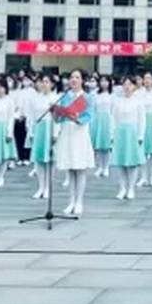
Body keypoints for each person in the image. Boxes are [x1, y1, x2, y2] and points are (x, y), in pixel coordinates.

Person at [52, 71, 95, 216]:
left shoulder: (87, 97)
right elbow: (59, 119)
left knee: (80, 168)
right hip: (67, 132)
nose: (74, 80)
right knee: (69, 168)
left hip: (80, 132)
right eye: (72, 77)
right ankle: (70, 201)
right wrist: (55, 112)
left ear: (82, 80)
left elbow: (89, 115)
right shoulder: (64, 96)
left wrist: (78, 119)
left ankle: (79, 201)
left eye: (77, 77)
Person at [26, 74, 57, 200]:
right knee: (39, 160)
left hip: (50, 128)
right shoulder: (35, 99)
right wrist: (31, 132)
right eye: (42, 82)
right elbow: (31, 116)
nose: (44, 84)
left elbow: (58, 118)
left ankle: (48, 187)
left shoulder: (55, 98)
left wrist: (56, 133)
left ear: (52, 84)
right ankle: (40, 187)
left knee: (50, 160)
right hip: (39, 129)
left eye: (47, 81)